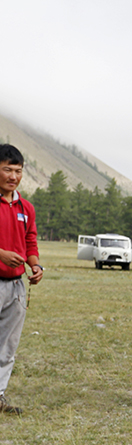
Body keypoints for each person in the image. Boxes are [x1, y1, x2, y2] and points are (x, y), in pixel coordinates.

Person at [0, 145, 43, 416]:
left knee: (7, 345)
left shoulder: (26, 207)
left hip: (16, 287)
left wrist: (35, 265)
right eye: (7, 169)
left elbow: (30, 241)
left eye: (18, 171)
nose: (13, 176)